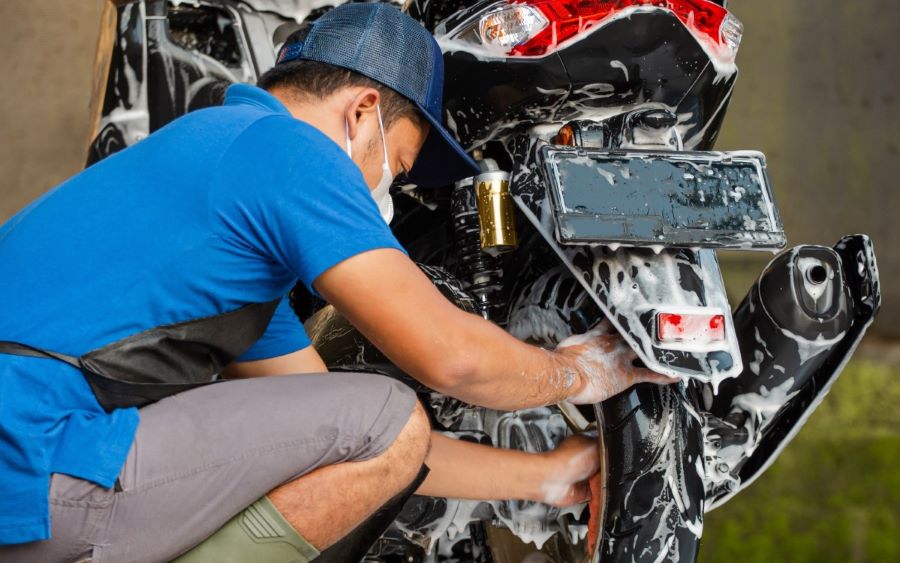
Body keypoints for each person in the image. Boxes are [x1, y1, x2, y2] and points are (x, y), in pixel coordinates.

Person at [0, 3, 674, 561]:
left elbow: (358, 449)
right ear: (362, 114)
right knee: (388, 412)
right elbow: (451, 358)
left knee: (377, 426)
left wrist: (546, 476)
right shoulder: (281, 149)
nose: (391, 190)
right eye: (401, 165)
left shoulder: (226, 214)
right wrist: (575, 373)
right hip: (34, 466)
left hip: (26, 477)